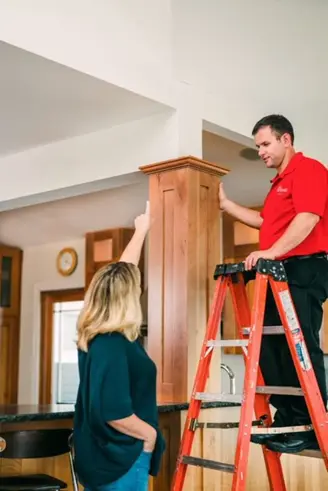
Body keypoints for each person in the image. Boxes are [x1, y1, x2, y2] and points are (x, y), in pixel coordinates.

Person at [219, 114, 328, 454]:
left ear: (286, 140)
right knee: (269, 346)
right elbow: (266, 221)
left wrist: (269, 253)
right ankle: (288, 419)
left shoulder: (310, 170)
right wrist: (225, 205)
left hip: (304, 269)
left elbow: (308, 218)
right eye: (258, 147)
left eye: (265, 144)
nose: (261, 152)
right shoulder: (278, 183)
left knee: (300, 347)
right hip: (278, 271)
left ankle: (313, 425)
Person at [73, 201, 165, 491]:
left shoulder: (99, 335)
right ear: (128, 299)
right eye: (135, 291)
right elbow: (115, 412)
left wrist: (142, 230)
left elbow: (124, 272)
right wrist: (149, 436)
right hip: (122, 458)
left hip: (103, 457)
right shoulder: (112, 344)